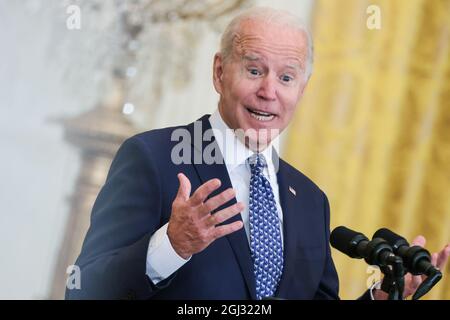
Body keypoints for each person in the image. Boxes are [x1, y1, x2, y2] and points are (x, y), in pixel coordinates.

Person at [66, 7, 449, 300]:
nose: (269, 91)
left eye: (286, 77)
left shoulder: (311, 200)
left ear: (302, 88)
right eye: (253, 70)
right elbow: (83, 289)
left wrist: (382, 295)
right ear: (219, 73)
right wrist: (171, 245)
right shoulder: (154, 158)